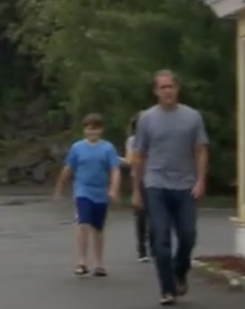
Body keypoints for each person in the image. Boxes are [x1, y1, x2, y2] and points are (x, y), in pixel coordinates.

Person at [132, 70, 209, 306]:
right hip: (156, 184)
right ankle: (167, 289)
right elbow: (139, 155)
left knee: (188, 235)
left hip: (185, 185)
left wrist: (200, 180)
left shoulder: (192, 117)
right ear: (156, 91)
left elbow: (201, 149)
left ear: (177, 89)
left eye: (171, 87)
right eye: (163, 87)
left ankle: (180, 272)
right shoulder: (146, 118)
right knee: (160, 240)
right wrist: (137, 189)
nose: (167, 91)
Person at [54, 113, 121, 277]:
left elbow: (115, 170)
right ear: (84, 130)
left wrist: (114, 189)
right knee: (83, 223)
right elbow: (68, 168)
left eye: (96, 129)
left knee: (98, 228)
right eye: (89, 129)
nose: (93, 133)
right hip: (83, 189)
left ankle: (99, 264)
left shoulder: (108, 148)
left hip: (100, 191)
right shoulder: (77, 148)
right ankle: (81, 262)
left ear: (101, 130)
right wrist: (60, 187)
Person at [126, 111, 150, 262]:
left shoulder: (155, 137)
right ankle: (142, 249)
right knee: (141, 214)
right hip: (139, 178)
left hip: (156, 178)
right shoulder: (132, 140)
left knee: (157, 214)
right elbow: (131, 160)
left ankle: (156, 245)